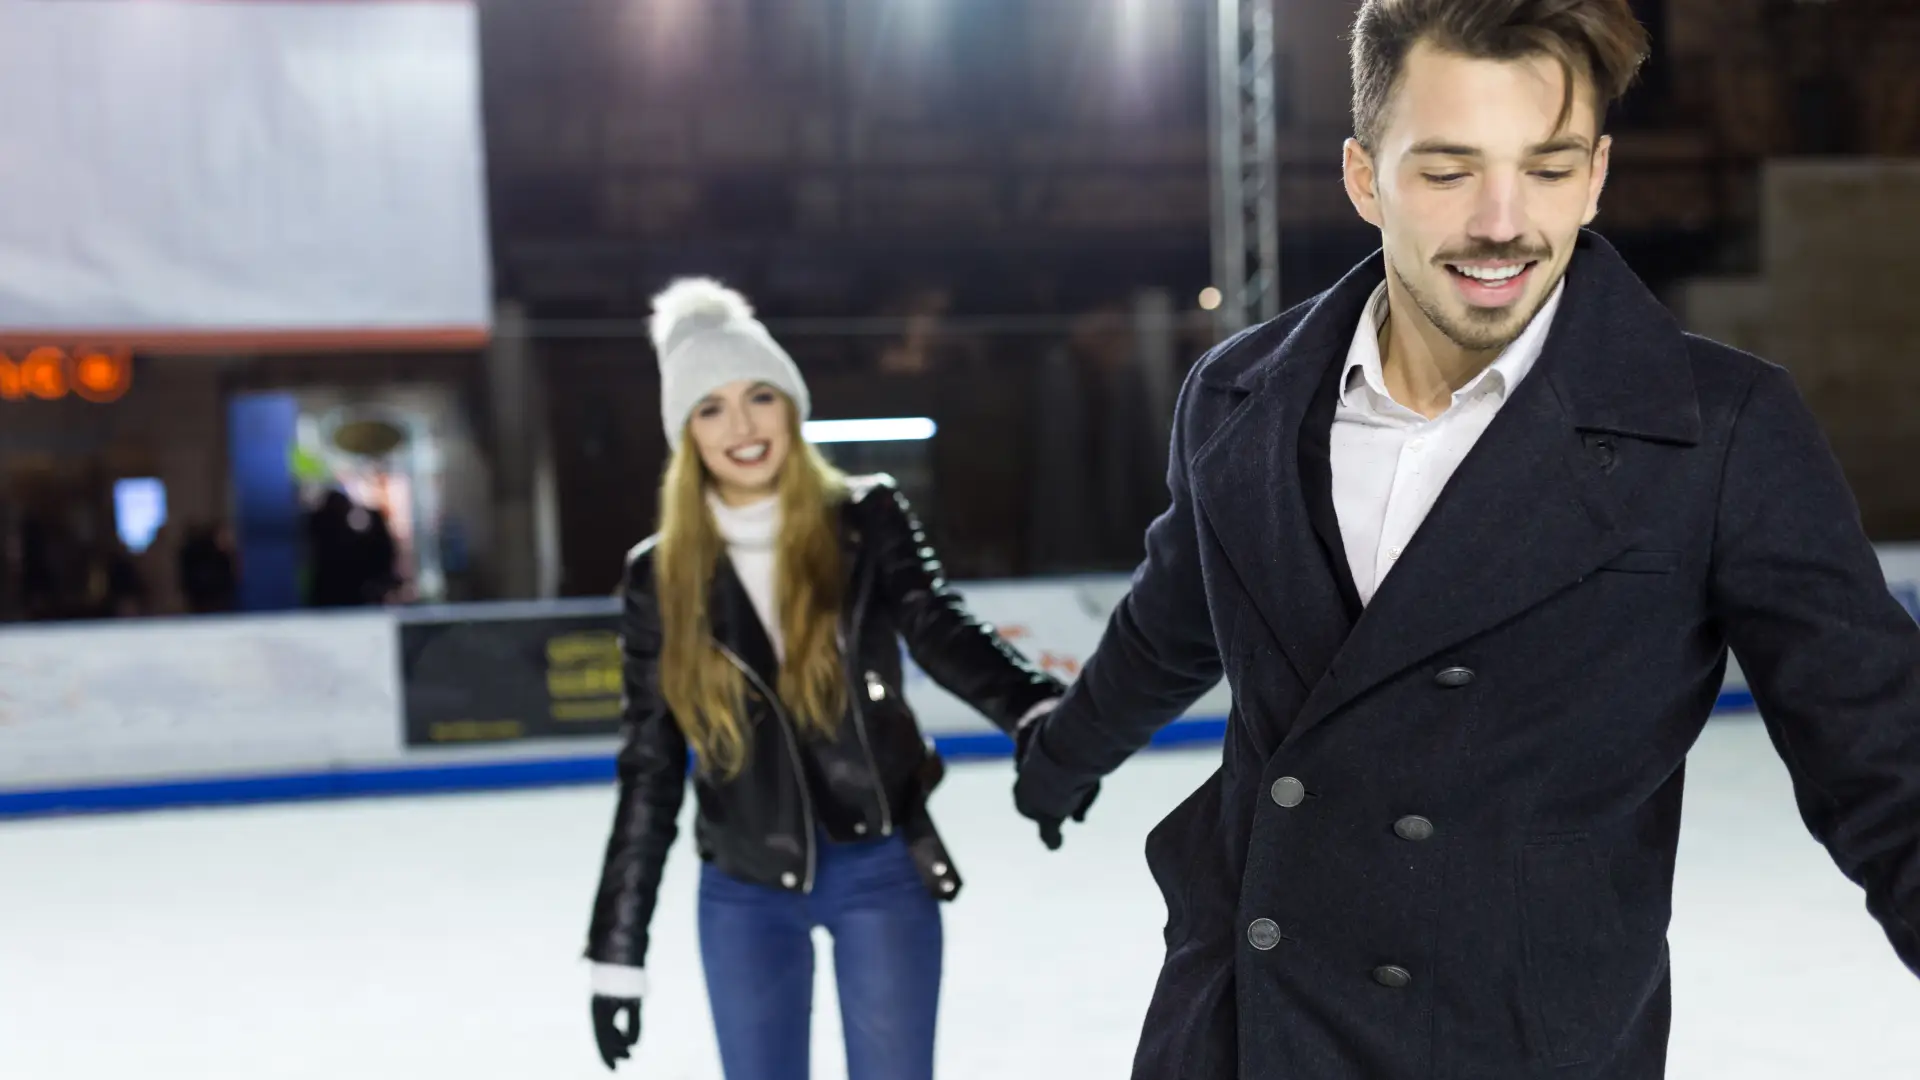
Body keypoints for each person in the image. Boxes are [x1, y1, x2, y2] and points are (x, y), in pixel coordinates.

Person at [1011, 1, 1920, 1077]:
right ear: (1364, 178)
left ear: (1595, 175)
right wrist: (1054, 760)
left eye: (1547, 167)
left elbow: (1884, 767)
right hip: (1245, 1026)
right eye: (1448, 172)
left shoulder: (1719, 430)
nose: (1504, 221)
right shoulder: (1238, 397)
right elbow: (1171, 625)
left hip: (1514, 1046)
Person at [585, 278, 1064, 1080]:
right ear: (686, 434)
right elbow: (650, 766)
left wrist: (1039, 717)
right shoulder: (658, 576)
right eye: (710, 408)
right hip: (742, 886)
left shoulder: (866, 519)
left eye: (759, 396)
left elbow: (937, 625)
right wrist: (616, 951)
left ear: (791, 409)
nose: (740, 426)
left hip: (878, 866)